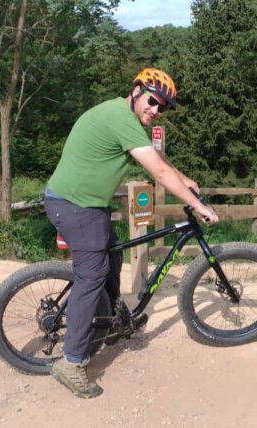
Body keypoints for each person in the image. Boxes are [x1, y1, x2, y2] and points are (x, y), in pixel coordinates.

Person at [43, 68, 219, 399]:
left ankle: (109, 321)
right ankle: (71, 362)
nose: (155, 110)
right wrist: (197, 204)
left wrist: (186, 180)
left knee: (112, 254)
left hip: (86, 205)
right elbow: (159, 172)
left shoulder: (124, 116)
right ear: (136, 91)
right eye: (153, 101)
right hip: (73, 205)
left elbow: (158, 160)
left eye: (162, 108)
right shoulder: (120, 117)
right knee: (91, 276)